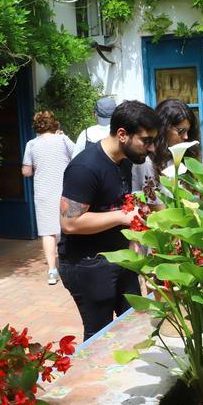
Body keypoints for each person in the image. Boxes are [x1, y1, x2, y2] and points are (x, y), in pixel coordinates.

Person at [58, 100, 159, 340]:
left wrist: (133, 239)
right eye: (146, 140)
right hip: (87, 264)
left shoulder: (123, 160)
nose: (152, 148)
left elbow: (122, 203)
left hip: (119, 259)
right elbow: (69, 223)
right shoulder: (85, 167)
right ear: (122, 134)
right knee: (99, 338)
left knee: (134, 327)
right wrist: (123, 217)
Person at [22, 111, 74, 285]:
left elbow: (26, 171)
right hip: (66, 190)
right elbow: (78, 157)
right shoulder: (63, 140)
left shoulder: (31, 144)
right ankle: (71, 264)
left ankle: (52, 271)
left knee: (48, 232)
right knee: (70, 226)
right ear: (55, 124)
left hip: (43, 192)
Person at [132, 99, 200, 210]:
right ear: (164, 128)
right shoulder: (147, 161)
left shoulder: (177, 156)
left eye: (188, 131)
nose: (186, 137)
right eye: (181, 131)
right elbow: (156, 209)